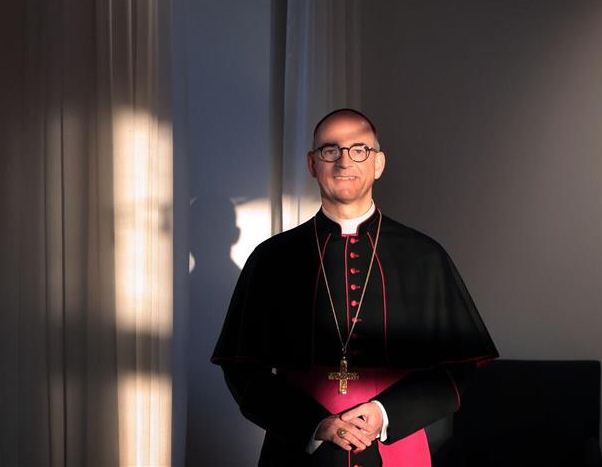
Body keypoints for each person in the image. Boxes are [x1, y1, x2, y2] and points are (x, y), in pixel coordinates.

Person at [212, 109, 498, 467]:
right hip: (298, 447)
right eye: (330, 150)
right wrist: (313, 423)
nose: (344, 160)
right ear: (312, 164)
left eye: (359, 149)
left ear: (378, 163)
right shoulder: (273, 259)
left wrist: (385, 413)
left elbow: (460, 366)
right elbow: (242, 369)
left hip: (398, 447)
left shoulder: (424, 256)